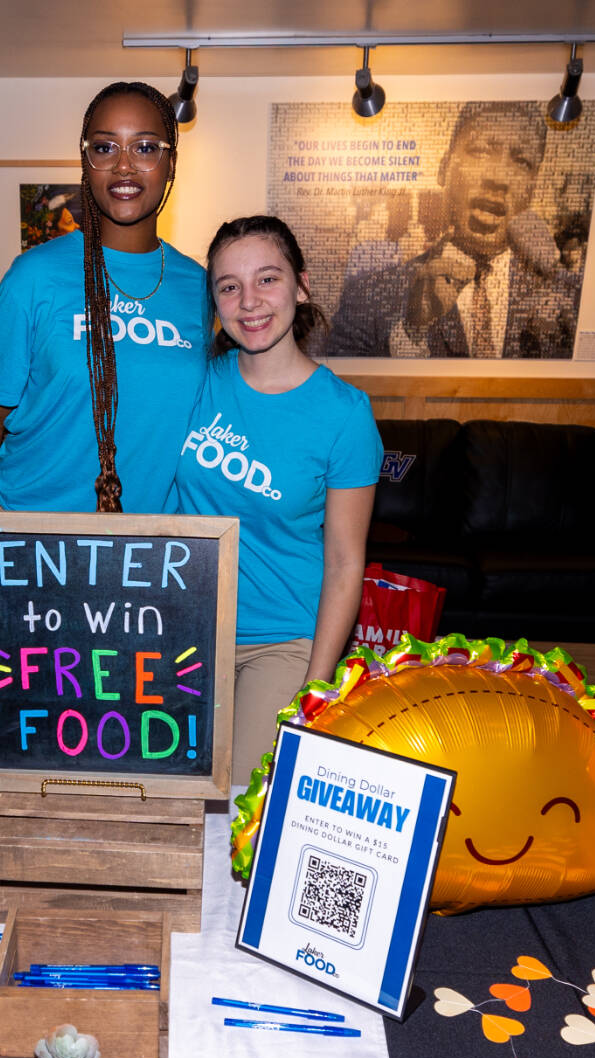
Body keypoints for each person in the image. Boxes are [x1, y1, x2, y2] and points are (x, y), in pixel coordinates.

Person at [171, 215, 380, 784]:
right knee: (165, 792)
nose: (249, 302)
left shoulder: (345, 414)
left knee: (242, 802)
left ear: (300, 285)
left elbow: (343, 563)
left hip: (281, 640)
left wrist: (316, 684)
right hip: (180, 631)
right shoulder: (193, 381)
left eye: (267, 279)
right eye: (229, 286)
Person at [0, 82, 206, 512]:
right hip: (32, 537)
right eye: (105, 147)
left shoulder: (200, 289)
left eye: (146, 148)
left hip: (151, 546)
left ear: (170, 163)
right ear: (85, 161)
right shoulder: (33, 276)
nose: (124, 166)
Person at [325, 102, 581, 360]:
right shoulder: (369, 299)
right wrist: (412, 332)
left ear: (533, 186)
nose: (500, 179)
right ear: (443, 168)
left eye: (522, 162)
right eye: (481, 152)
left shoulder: (569, 300)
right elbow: (344, 388)